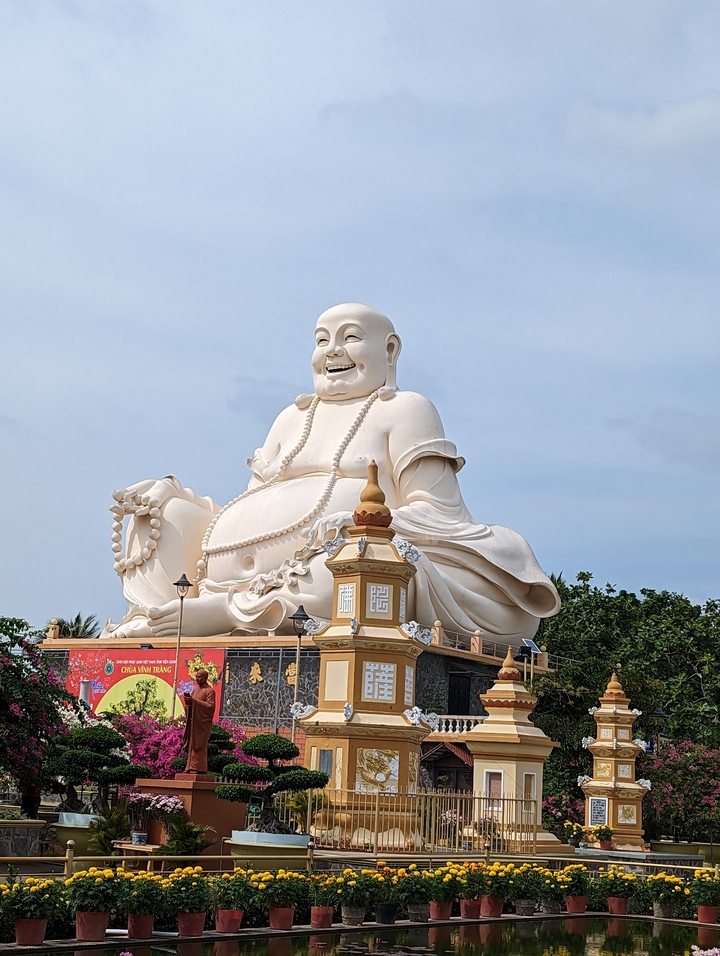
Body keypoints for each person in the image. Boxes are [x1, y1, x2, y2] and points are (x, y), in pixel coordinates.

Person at [105, 303, 560, 642]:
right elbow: (251, 504)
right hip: (239, 570)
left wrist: (367, 524)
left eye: (350, 337)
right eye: (322, 340)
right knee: (163, 508)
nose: (333, 351)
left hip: (331, 566)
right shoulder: (290, 418)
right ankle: (159, 613)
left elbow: (438, 511)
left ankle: (224, 613)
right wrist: (176, 498)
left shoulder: (405, 410)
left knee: (355, 566)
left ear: (390, 349)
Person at [180, 670, 216, 775]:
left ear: (205, 678)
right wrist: (188, 704)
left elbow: (210, 707)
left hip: (202, 724)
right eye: (196, 677)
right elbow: (191, 705)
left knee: (199, 746)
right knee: (192, 747)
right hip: (194, 724)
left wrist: (194, 702)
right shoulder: (196, 690)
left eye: (200, 677)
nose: (197, 679)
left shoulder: (210, 691)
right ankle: (190, 767)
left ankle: (198, 768)